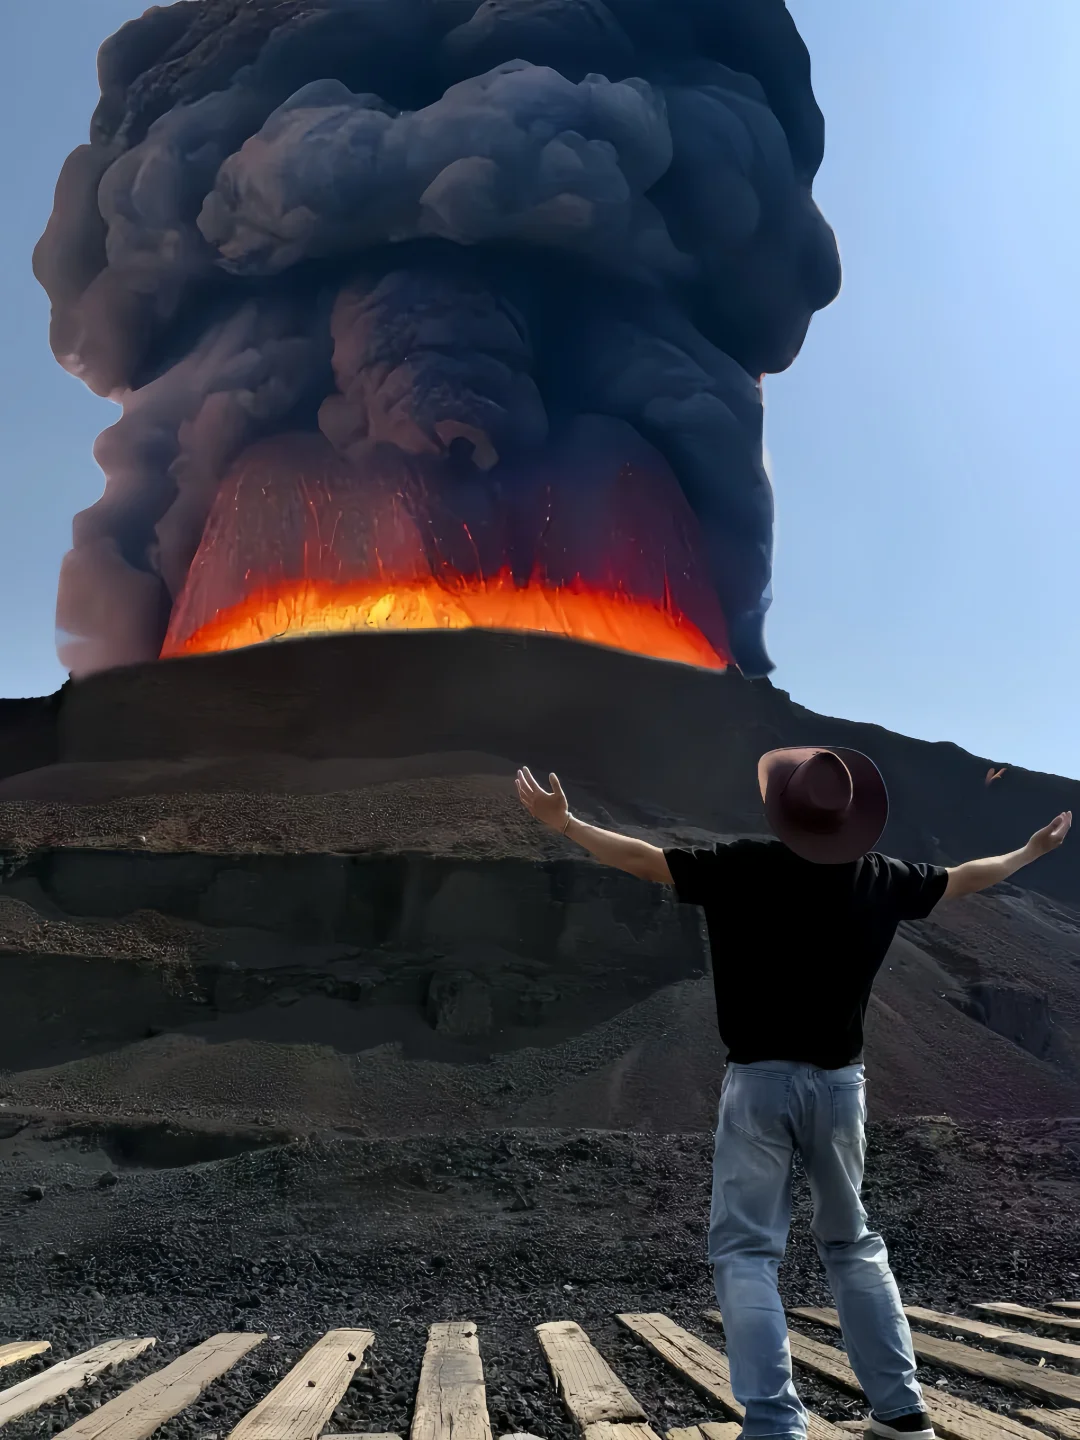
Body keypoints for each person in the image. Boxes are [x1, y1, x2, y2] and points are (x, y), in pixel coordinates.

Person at [515, 748, 1072, 1440]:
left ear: (784, 811)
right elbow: (965, 879)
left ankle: (777, 1422)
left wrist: (566, 825)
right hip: (842, 1088)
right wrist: (1031, 849)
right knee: (854, 1244)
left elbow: (641, 859)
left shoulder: (742, 866)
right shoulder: (881, 879)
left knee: (748, 1252)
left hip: (758, 1084)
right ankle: (901, 1412)